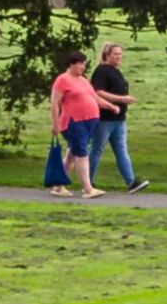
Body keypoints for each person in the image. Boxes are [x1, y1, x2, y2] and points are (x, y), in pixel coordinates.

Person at [43, 49, 125, 197]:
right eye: (81, 64)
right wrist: (54, 124)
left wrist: (111, 106)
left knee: (71, 155)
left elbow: (94, 98)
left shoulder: (84, 80)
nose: (83, 67)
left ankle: (58, 186)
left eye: (84, 64)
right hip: (74, 122)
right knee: (82, 154)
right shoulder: (62, 80)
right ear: (72, 64)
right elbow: (55, 103)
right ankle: (88, 189)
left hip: (89, 122)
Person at [89, 42, 146, 192]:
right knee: (97, 149)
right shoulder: (101, 71)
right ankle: (88, 181)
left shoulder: (116, 71)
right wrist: (121, 99)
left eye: (120, 54)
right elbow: (98, 92)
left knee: (121, 150)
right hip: (105, 118)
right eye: (116, 54)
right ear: (107, 55)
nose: (119, 57)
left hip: (119, 119)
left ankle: (131, 182)